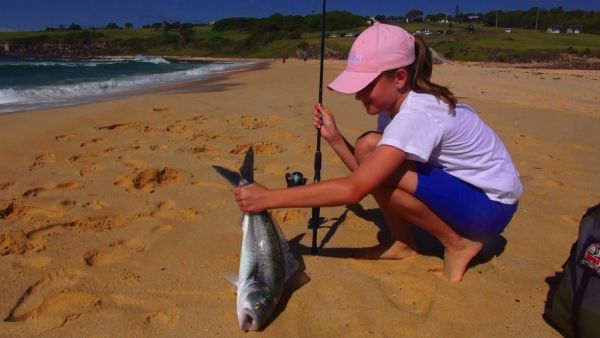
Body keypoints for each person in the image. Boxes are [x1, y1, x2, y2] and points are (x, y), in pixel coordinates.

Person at [234, 23, 523, 282]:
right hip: (468, 195)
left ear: (399, 77)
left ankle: (457, 244)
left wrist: (268, 198)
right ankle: (403, 242)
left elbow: (354, 190)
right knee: (367, 147)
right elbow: (366, 175)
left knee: (375, 161)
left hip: (490, 207)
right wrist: (335, 138)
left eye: (364, 85)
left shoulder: (418, 114)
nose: (358, 94)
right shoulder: (394, 110)